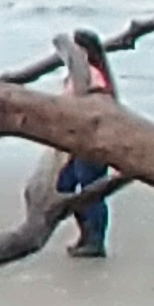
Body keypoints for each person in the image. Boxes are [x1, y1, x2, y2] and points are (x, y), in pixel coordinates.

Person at [44, 28, 117, 259]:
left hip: (92, 141)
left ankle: (95, 239)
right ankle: (86, 234)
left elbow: (94, 104)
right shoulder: (78, 74)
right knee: (66, 184)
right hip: (76, 141)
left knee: (91, 188)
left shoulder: (93, 75)